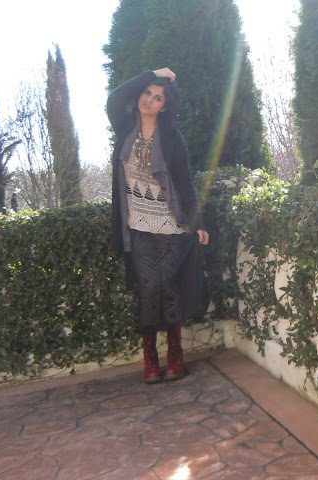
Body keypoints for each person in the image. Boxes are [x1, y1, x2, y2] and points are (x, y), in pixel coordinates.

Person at [107, 68, 209, 383]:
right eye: (146, 93)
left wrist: (197, 222)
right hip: (138, 226)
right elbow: (114, 99)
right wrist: (151, 75)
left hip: (170, 227)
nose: (148, 100)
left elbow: (185, 182)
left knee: (167, 286)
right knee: (149, 288)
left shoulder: (173, 138)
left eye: (157, 97)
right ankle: (151, 358)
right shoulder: (125, 125)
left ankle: (175, 354)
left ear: (165, 106)